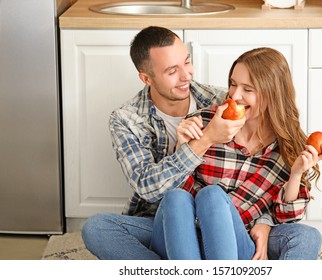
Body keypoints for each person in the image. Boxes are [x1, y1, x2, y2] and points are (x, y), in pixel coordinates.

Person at [81, 26, 244, 259]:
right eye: (172, 71)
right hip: (162, 224)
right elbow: (148, 188)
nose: (187, 75)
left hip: (218, 222)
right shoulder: (126, 120)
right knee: (96, 228)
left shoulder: (219, 100)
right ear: (146, 78)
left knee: (297, 235)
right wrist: (206, 139)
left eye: (187, 62)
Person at [150, 47, 322, 260]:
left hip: (237, 239)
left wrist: (296, 174)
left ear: (272, 94)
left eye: (248, 89)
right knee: (102, 226)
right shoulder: (205, 123)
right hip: (186, 234)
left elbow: (286, 216)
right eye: (233, 84)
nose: (235, 95)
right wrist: (183, 149)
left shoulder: (288, 147)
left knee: (306, 236)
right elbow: (178, 199)